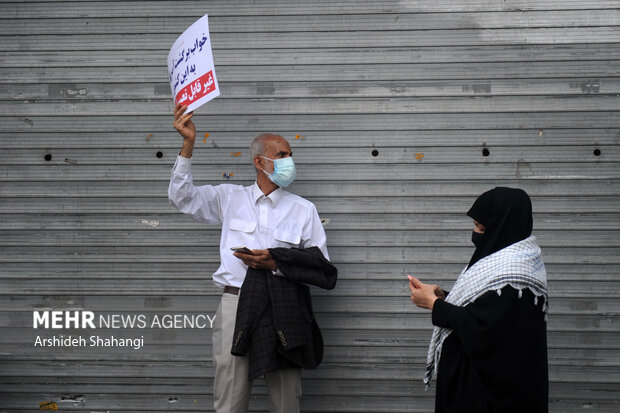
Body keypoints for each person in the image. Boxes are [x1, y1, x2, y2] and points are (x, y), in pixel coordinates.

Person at [168, 103, 329, 413]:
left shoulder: (303, 209)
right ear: (260, 161)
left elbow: (320, 266)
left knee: (286, 397)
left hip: (285, 304)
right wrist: (188, 144)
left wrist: (277, 263)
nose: (289, 161)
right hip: (236, 304)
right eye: (282, 155)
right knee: (230, 394)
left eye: (290, 154)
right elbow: (182, 198)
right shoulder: (229, 198)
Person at [409, 187, 549, 413]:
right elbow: (487, 306)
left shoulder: (515, 271)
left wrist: (435, 305)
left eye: (481, 228)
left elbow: (484, 330)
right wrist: (445, 296)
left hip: (492, 395)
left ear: (502, 227)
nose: (476, 234)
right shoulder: (506, 259)